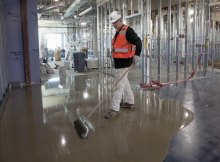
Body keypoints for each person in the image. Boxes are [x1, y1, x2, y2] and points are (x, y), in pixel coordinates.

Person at [104, 11, 142, 119]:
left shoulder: (127, 30)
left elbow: (138, 41)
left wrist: (137, 55)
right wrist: (114, 57)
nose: (113, 24)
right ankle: (130, 101)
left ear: (120, 20)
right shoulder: (118, 31)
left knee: (118, 86)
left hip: (124, 63)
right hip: (119, 62)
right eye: (113, 23)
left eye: (115, 22)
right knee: (124, 83)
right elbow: (118, 47)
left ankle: (114, 109)